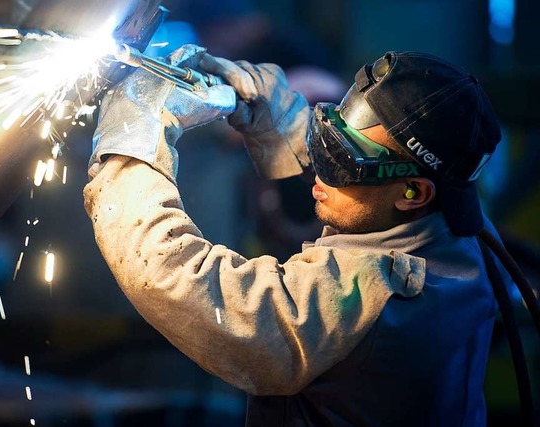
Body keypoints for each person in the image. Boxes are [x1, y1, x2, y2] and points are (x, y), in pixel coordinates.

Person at [83, 45, 504, 426]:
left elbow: (179, 277)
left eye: (341, 160)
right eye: (328, 134)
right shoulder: (460, 225)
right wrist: (270, 108)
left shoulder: (375, 294)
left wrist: (129, 145)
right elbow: (368, 162)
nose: (322, 167)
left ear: (413, 193)